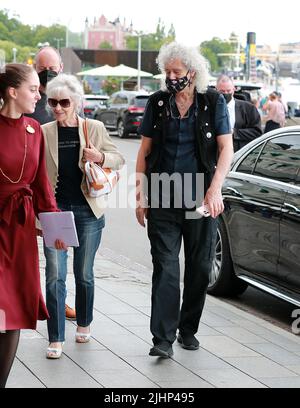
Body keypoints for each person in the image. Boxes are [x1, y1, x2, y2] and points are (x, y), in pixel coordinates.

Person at [136, 42, 233, 358]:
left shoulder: (212, 102)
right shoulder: (158, 102)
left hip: (199, 198)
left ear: (192, 72)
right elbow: (144, 151)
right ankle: (162, 339)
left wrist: (215, 189)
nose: (170, 77)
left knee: (200, 266)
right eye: (167, 71)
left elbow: (225, 149)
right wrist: (140, 195)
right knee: (165, 267)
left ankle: (187, 328)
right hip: (163, 195)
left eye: (176, 71)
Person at [41, 74, 125, 359]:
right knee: (54, 276)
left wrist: (99, 157)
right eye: (53, 102)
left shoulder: (94, 128)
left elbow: (119, 159)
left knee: (84, 274)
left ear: (76, 102)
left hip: (88, 211)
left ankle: (84, 322)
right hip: (56, 212)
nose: (58, 108)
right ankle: (55, 337)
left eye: (64, 102)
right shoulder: (44, 132)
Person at [0, 63, 65, 387]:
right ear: (12, 92)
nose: (39, 96)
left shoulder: (34, 130)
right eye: (32, 90)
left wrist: (56, 232)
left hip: (20, 231)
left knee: (12, 311)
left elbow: (42, 187)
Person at [27, 46, 75, 320]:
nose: (47, 73)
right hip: (23, 192)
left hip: (54, 193)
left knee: (56, 257)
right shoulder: (28, 101)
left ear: (61, 69)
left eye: (52, 68)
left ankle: (58, 302)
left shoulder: (65, 100)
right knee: (22, 256)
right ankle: (26, 299)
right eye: (41, 68)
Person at [216, 75, 262, 151]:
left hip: (240, 154)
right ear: (216, 90)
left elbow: (257, 132)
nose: (226, 93)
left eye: (228, 91)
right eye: (222, 91)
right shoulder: (209, 108)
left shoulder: (248, 108)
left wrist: (234, 132)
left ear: (233, 89)